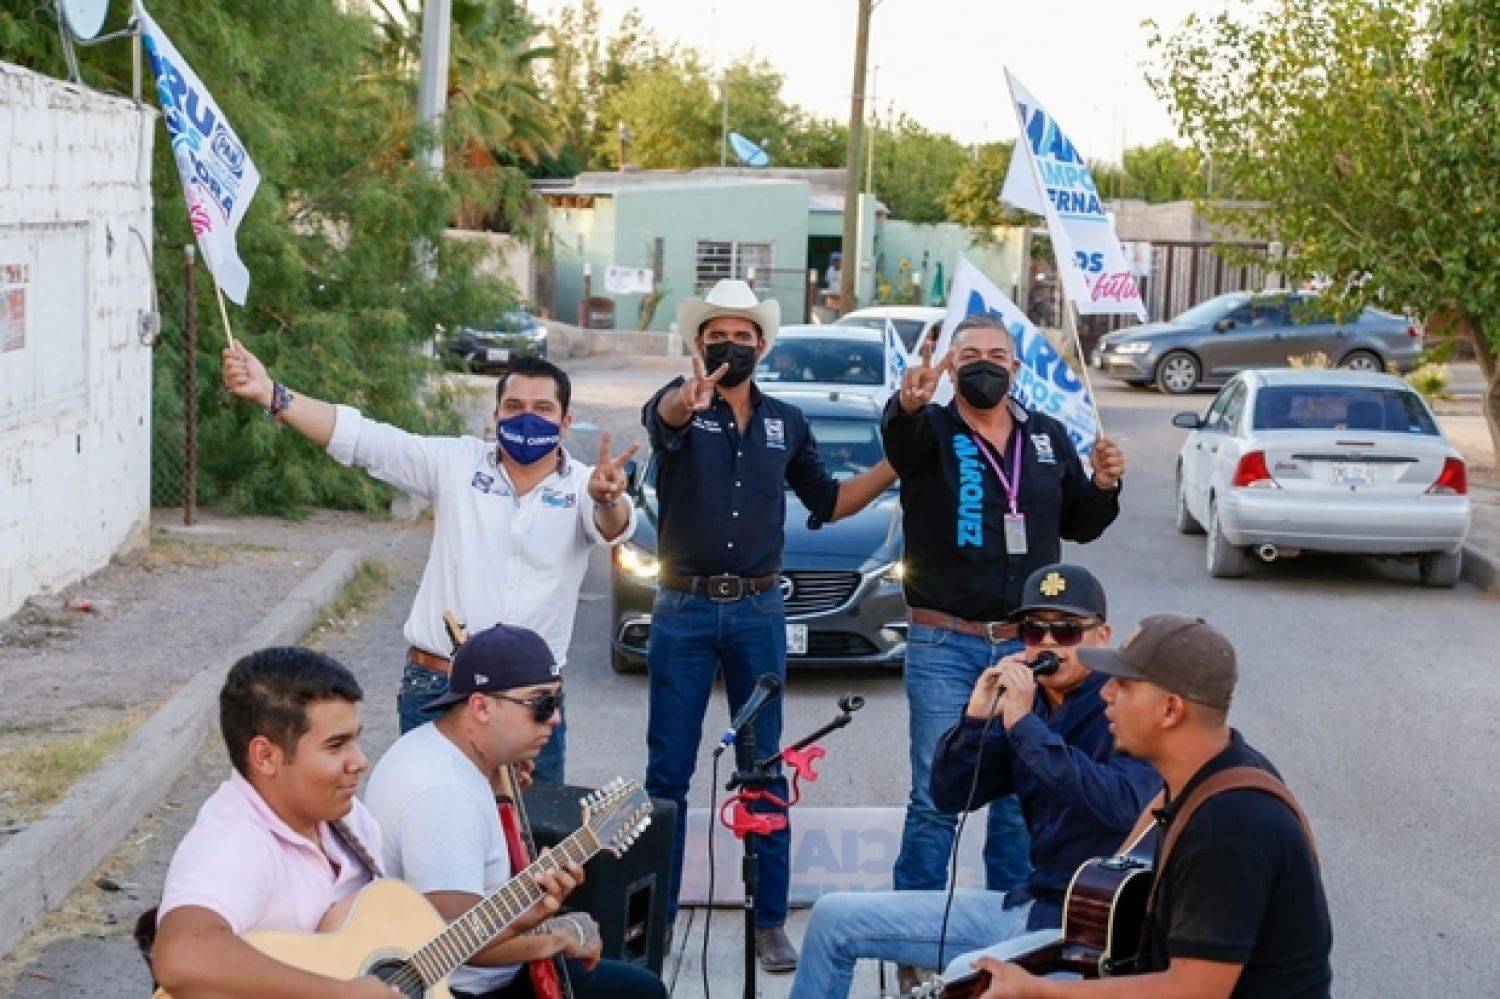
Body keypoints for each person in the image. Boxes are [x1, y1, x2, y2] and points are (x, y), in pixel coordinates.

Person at [221, 348, 636, 783]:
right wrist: (272, 394)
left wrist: (608, 500)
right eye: (514, 406)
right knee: (433, 813)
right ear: (496, 415)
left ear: (565, 422)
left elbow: (612, 525)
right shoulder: (455, 464)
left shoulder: (585, 486)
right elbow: (365, 440)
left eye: (542, 409)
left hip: (530, 701)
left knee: (535, 825)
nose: (526, 418)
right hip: (440, 688)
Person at [641, 278, 897, 972]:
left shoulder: (787, 421)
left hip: (758, 611)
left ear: (762, 344)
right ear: (699, 345)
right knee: (667, 772)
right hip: (684, 608)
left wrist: (897, 464)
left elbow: (831, 501)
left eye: (742, 336)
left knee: (762, 769)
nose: (730, 346)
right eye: (717, 336)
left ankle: (770, 921)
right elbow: (664, 419)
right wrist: (684, 399)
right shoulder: (678, 407)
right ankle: (654, 923)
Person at [790, 564, 1160, 999]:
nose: (1047, 643)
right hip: (1027, 905)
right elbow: (951, 797)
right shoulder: (1029, 703)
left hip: (1087, 928)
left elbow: (1122, 806)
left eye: (1065, 631)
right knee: (832, 918)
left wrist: (1024, 726)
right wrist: (975, 719)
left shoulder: (1119, 708)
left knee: (963, 977)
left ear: (1101, 635)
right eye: (1033, 630)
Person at [150, 646, 571, 998]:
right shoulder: (233, 840)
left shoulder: (348, 820)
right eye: (336, 746)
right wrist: (341, 993)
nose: (359, 761)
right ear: (266, 756)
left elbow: (415, 954)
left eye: (355, 739)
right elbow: (182, 955)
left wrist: (516, 919)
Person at [883, 314, 1126, 905]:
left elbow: (1081, 523)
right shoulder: (930, 430)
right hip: (944, 642)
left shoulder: (1046, 436)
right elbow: (899, 440)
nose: (984, 365)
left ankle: (1014, 924)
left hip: (1030, 644)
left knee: (1022, 795)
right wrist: (908, 405)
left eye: (996, 356)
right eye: (969, 356)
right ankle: (913, 932)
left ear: (1016, 368)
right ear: (950, 367)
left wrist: (1103, 485)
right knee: (936, 796)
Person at [971, 615, 1332, 998]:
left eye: (1123, 685)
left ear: (1170, 710)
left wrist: (1038, 991)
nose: (1106, 693)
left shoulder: (1228, 823)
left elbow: (1194, 992)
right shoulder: (1210, 769)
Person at [364, 623, 666, 999]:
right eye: (539, 703)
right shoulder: (445, 796)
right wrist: (554, 937)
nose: (554, 717)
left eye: (557, 700)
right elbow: (457, 944)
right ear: (481, 707)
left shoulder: (442, 748)